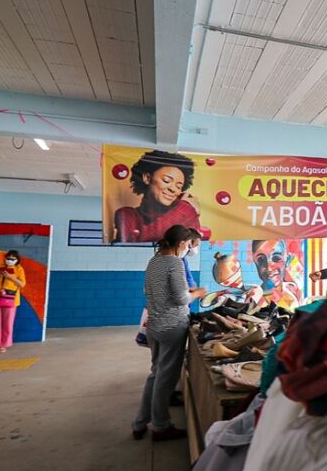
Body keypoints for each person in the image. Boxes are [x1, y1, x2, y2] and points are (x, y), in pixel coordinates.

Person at [133, 225, 206, 441]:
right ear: (182, 244)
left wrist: (185, 291)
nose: (188, 249)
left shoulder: (154, 261)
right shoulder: (174, 262)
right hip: (172, 326)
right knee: (165, 379)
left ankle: (139, 423)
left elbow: (155, 291)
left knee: (155, 374)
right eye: (187, 245)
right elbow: (181, 299)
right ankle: (161, 427)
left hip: (154, 326)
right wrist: (199, 293)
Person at [114, 150, 201, 243]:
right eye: (166, 181)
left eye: (179, 186)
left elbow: (194, 246)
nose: (173, 189)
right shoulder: (126, 215)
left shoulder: (185, 211)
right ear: (147, 178)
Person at [0, 250, 26, 354]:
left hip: (10, 299)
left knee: (7, 323)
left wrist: (10, 277)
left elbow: (22, 284)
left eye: (12, 259)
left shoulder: (19, 269)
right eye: (8, 258)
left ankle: (3, 345)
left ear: (17, 260)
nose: (10, 261)